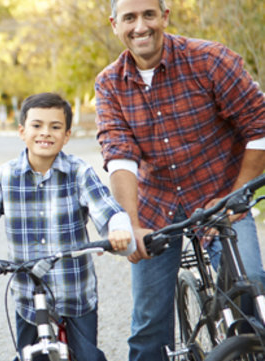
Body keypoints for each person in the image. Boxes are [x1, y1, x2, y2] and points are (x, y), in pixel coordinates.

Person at [95, 0, 265, 360]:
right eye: (129, 18)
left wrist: (238, 197)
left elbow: (259, 127)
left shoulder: (210, 60)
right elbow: (119, 155)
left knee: (250, 286)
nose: (140, 26)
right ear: (115, 24)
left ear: (165, 17)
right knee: (148, 324)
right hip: (157, 205)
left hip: (222, 197)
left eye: (148, 15)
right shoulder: (109, 84)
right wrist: (131, 223)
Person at [0, 92, 134, 361]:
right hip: (28, 298)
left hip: (74, 293)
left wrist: (118, 231)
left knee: (89, 357)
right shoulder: (5, 176)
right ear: (22, 131)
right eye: (37, 125)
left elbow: (109, 211)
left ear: (66, 135)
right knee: (29, 356)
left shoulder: (79, 172)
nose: (45, 133)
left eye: (55, 127)